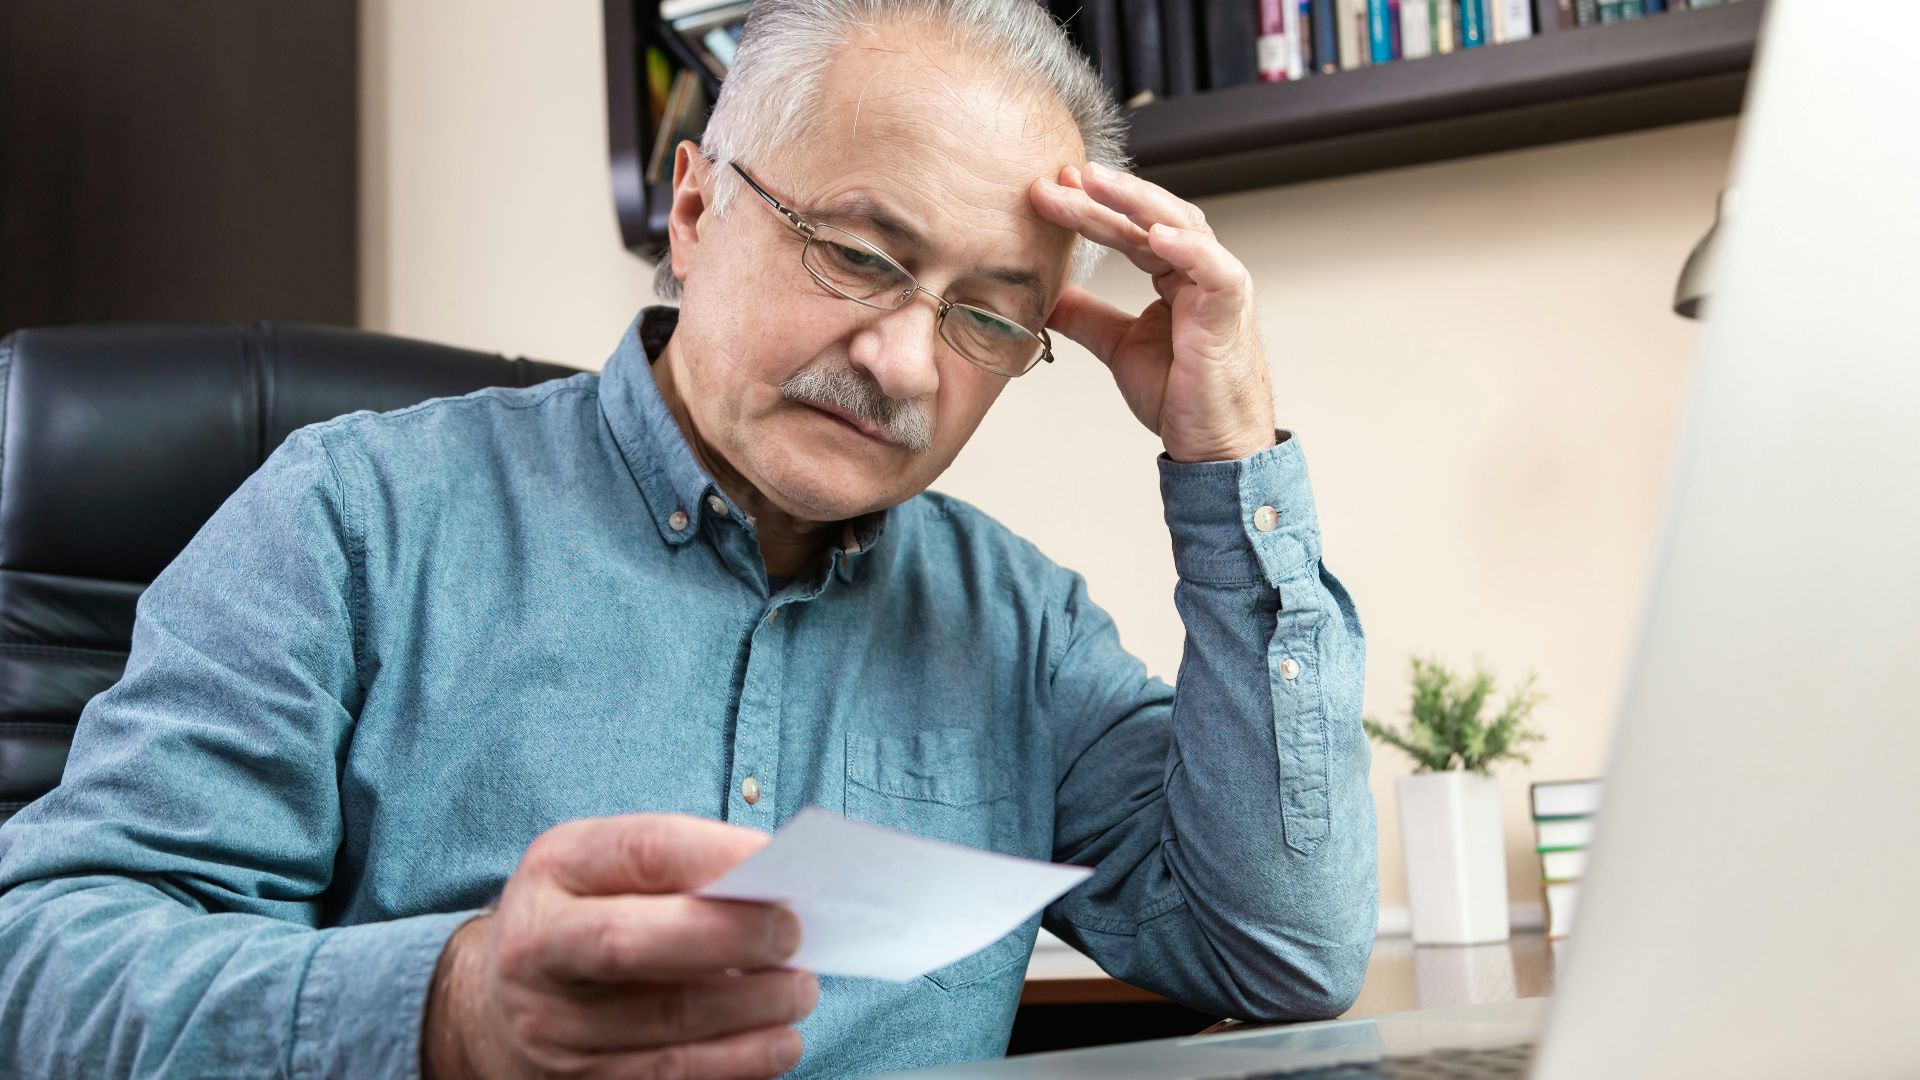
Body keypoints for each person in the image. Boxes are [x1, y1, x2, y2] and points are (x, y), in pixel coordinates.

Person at [0, 2, 1377, 1077]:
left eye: (988, 314)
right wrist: (452, 1011)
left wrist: (1230, 453)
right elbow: (46, 969)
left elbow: (1281, 956)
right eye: (858, 252)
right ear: (698, 208)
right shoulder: (353, 518)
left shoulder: (1018, 627)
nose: (904, 362)